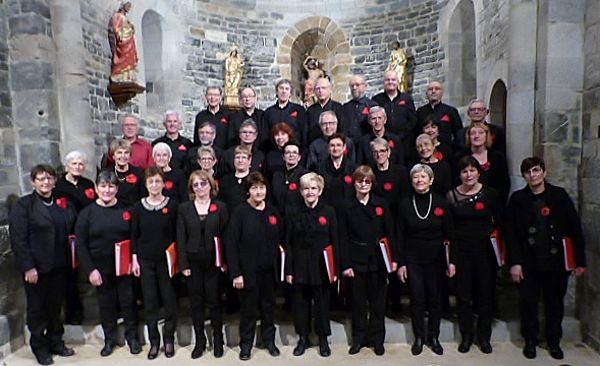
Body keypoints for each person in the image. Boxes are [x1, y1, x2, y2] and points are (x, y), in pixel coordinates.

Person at [505, 157, 586, 360]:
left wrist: (580, 260)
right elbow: (511, 235)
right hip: (528, 262)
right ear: (524, 176)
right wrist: (514, 263)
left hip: (556, 262)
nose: (532, 175)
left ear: (544, 172)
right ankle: (530, 341)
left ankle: (553, 342)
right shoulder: (517, 199)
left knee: (554, 304)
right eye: (528, 172)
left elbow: (575, 229)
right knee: (528, 304)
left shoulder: (559, 196)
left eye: (536, 170)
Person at [9, 165, 77, 365]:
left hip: (59, 264)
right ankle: (39, 347)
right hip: (36, 268)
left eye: (49, 178)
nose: (46, 182)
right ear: (33, 181)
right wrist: (28, 266)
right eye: (41, 179)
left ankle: (56, 341)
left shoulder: (60, 204)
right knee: (37, 309)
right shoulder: (24, 205)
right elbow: (18, 239)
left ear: (55, 181)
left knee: (55, 308)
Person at [75, 170, 141, 357]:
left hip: (124, 266)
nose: (107, 190)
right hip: (100, 268)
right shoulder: (87, 214)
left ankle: (132, 338)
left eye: (111, 186)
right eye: (103, 186)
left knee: (128, 303)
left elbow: (134, 236)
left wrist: (134, 259)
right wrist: (90, 270)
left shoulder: (126, 209)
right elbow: (81, 244)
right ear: (96, 188)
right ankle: (109, 340)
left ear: (116, 188)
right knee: (106, 305)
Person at [338, 165, 397, 356]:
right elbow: (342, 237)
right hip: (355, 261)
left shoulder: (381, 204)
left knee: (378, 303)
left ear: (372, 184)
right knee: (358, 303)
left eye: (367, 181)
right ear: (354, 183)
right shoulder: (345, 205)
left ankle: (377, 340)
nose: (363, 184)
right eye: (360, 181)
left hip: (378, 261)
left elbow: (390, 233)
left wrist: (393, 259)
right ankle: (359, 339)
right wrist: (345, 265)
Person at [446, 156, 502, 354]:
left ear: (479, 172)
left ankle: (484, 337)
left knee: (485, 295)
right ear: (459, 174)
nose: (468, 175)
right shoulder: (451, 196)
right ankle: (467, 336)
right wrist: (451, 259)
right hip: (461, 251)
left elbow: (500, 224)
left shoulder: (491, 194)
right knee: (463, 296)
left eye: (472, 170)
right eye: (464, 171)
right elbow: (449, 230)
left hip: (485, 252)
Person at [397, 164, 454, 356]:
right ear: (411, 181)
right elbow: (399, 235)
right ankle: (419, 337)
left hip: (436, 258)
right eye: (416, 177)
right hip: (412, 257)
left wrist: (450, 261)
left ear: (431, 180)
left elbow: (449, 234)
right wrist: (402, 263)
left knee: (435, 298)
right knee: (417, 298)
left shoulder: (440, 202)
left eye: (423, 177)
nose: (419, 180)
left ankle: (434, 336)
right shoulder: (404, 204)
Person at [225, 172, 283, 361]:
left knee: (268, 308)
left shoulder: (273, 212)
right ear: (248, 191)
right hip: (248, 272)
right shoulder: (240, 212)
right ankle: (246, 345)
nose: (259, 191)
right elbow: (231, 244)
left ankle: (269, 342)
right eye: (254, 188)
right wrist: (236, 274)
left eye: (262, 187)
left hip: (269, 271)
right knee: (249, 311)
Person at [285, 172, 338, 357]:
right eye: (306, 188)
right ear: (300, 191)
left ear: (320, 190)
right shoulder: (293, 211)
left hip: (321, 266)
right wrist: (289, 270)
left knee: (322, 304)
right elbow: (288, 243)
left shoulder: (329, 211)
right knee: (301, 304)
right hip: (299, 265)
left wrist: (335, 268)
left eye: (313, 188)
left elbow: (335, 241)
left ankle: (323, 339)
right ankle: (303, 338)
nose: (310, 192)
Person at [177, 170, 228, 359]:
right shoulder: (184, 208)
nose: (200, 188)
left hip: (214, 262)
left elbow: (226, 236)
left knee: (214, 301)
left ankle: (218, 339)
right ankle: (200, 341)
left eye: (203, 183)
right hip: (193, 262)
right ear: (191, 188)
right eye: (196, 185)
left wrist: (225, 261)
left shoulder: (220, 207)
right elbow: (181, 238)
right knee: (196, 303)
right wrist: (183, 264)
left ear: (210, 185)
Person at [130, 167, 179, 359]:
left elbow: (178, 234)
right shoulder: (138, 207)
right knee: (150, 303)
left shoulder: (172, 205)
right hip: (145, 260)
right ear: (146, 184)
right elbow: (134, 235)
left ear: (163, 183)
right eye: (150, 182)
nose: (154, 185)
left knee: (169, 301)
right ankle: (154, 342)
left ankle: (168, 339)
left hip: (166, 261)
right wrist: (134, 259)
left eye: (157, 181)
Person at [54, 151, 96, 325]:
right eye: (74, 164)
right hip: (68, 234)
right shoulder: (59, 186)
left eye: (81, 164)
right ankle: (73, 313)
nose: (78, 167)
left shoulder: (88, 184)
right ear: (67, 166)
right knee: (70, 275)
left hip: (88, 231)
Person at [457, 123, 510, 203]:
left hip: (492, 202)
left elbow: (504, 184)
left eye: (481, 133)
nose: (476, 136)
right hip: (465, 202)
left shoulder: (498, 157)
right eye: (473, 133)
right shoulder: (459, 157)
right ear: (469, 137)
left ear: (486, 136)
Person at [372, 70, 417, 144]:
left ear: (398, 81)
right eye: (387, 80)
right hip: (383, 141)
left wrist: (400, 136)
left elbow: (412, 120)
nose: (390, 82)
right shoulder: (376, 100)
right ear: (383, 82)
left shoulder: (407, 99)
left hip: (404, 141)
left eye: (393, 80)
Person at [315, 133, 357, 213]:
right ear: (328, 147)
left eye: (338, 145)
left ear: (344, 147)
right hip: (326, 210)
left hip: (347, 211)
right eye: (332, 145)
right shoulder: (319, 167)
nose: (335, 148)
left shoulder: (353, 168)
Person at [416, 81, 463, 146]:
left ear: (442, 92)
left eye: (437, 89)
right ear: (426, 93)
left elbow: (458, 134)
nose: (433, 91)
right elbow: (416, 133)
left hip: (446, 150)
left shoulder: (451, 111)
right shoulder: (420, 112)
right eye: (430, 89)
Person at [264, 79, 307, 148]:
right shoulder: (268, 112)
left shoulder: (299, 110)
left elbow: (304, 132)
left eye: (287, 89)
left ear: (290, 93)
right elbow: (265, 134)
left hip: (294, 150)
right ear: (277, 92)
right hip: (274, 150)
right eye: (281, 88)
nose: (284, 91)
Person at [271, 141, 309, 217]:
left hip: (299, 218)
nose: (291, 155)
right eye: (288, 152)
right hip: (279, 218)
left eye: (294, 153)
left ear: (299, 157)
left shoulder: (306, 175)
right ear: (283, 157)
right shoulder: (276, 175)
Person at [306, 78, 343, 145]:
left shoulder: (338, 108)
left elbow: (342, 130)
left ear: (330, 90)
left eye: (323, 88)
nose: (320, 91)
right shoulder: (310, 110)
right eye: (318, 88)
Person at [109, 138, 144, 207]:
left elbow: (143, 197)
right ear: (113, 156)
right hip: (112, 212)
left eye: (126, 152)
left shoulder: (139, 173)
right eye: (119, 152)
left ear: (130, 156)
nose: (123, 156)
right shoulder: (107, 173)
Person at [109, 1, 138, 83]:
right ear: (123, 5)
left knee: (131, 58)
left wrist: (131, 28)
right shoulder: (118, 16)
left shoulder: (126, 18)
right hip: (123, 41)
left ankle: (128, 76)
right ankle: (120, 75)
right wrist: (120, 36)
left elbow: (128, 29)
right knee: (123, 57)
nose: (129, 8)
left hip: (130, 41)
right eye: (128, 5)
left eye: (130, 6)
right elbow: (116, 28)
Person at [341, 75, 377, 140]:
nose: (354, 88)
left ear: (365, 86)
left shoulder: (372, 106)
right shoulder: (345, 107)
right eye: (352, 86)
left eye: (357, 85)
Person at [218, 145, 253, 211]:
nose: (240, 160)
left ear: (249, 160)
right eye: (237, 157)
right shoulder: (225, 180)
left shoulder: (255, 179)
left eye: (244, 157)